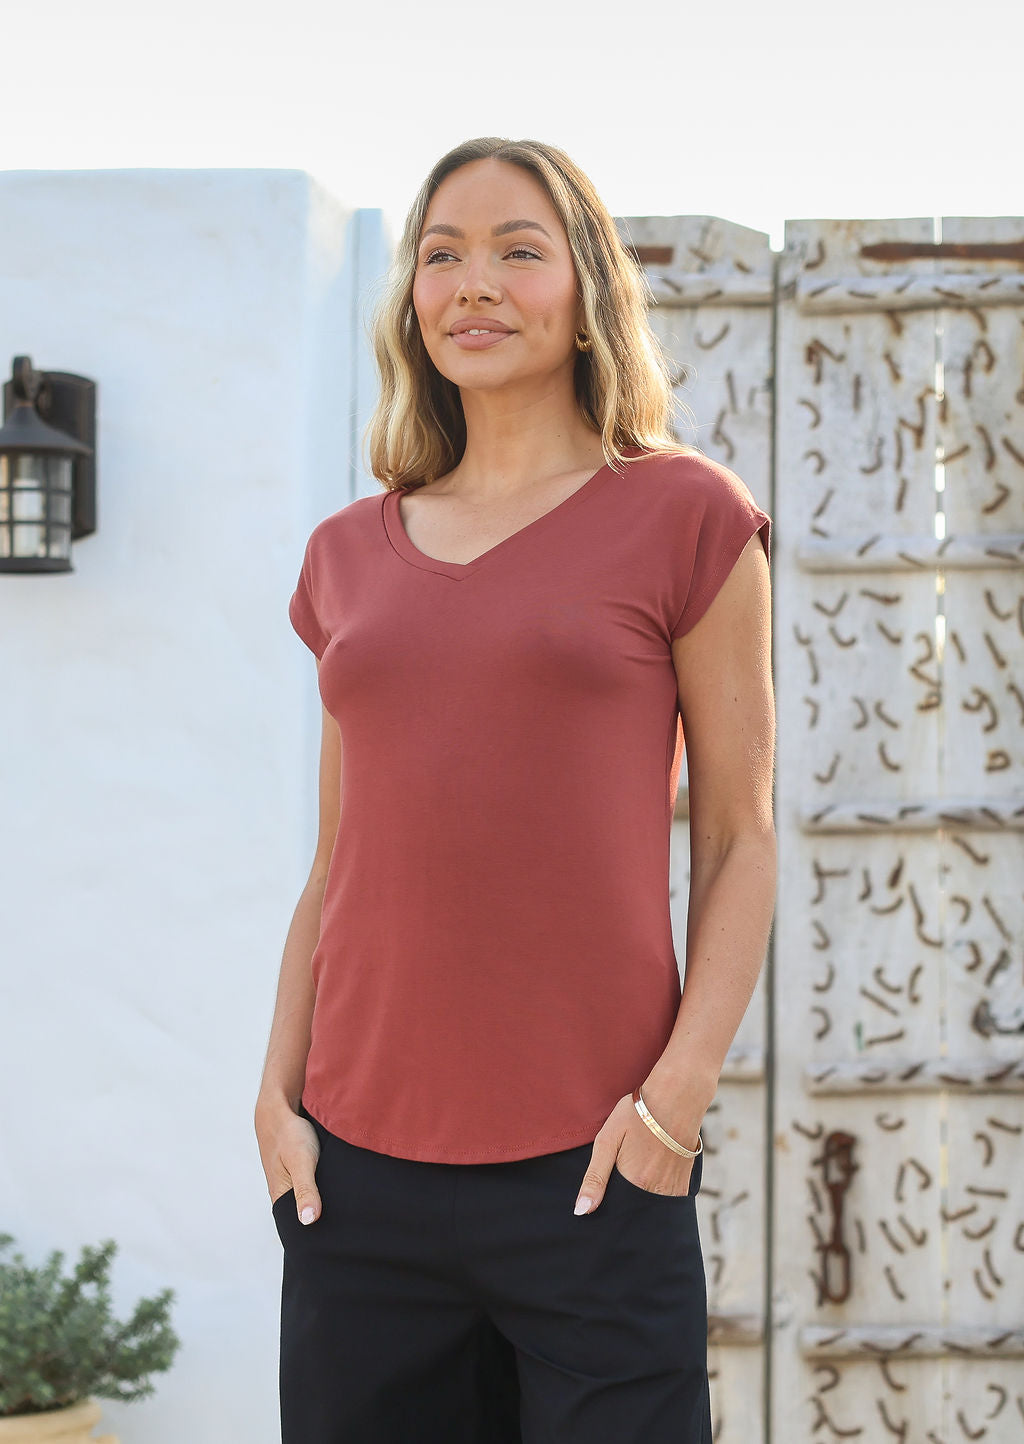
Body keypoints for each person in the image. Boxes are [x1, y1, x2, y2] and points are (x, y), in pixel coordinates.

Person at [255, 135, 776, 1444]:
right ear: (413, 301)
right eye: (443, 255)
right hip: (355, 1181)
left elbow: (737, 837)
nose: (473, 284)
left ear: (587, 288)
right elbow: (342, 856)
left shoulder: (685, 517)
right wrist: (277, 1094)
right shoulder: (347, 555)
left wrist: (674, 1109)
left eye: (517, 251)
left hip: (596, 1174)